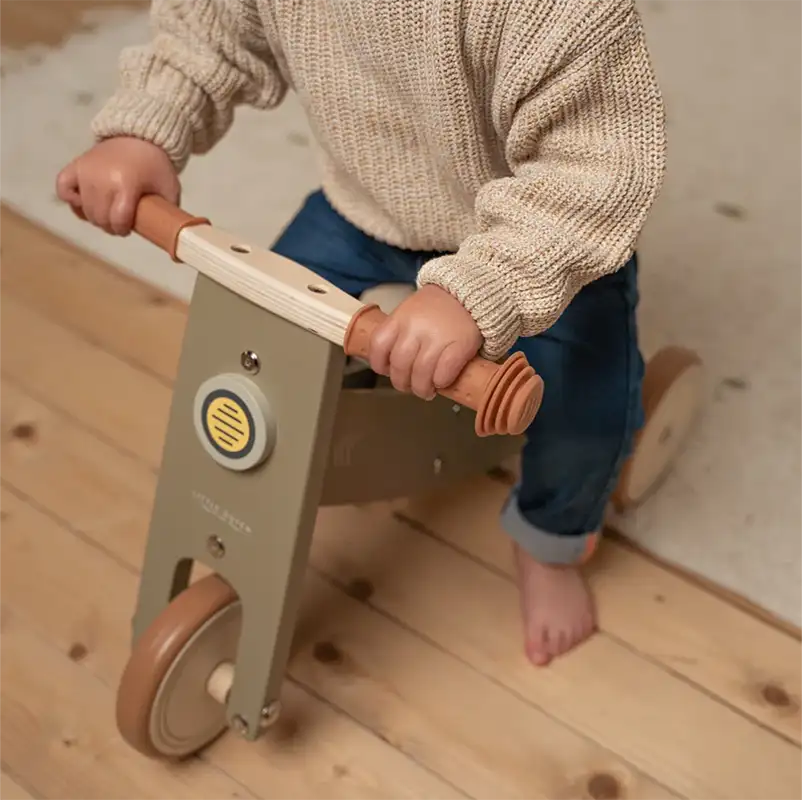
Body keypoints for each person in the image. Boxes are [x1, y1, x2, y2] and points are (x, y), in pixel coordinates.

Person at [56, 0, 665, 666]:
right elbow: (210, 31)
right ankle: (258, 497)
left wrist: (480, 290)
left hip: (527, 232)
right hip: (363, 209)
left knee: (585, 403)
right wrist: (145, 128)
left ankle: (551, 540)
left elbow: (598, 169)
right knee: (252, 343)